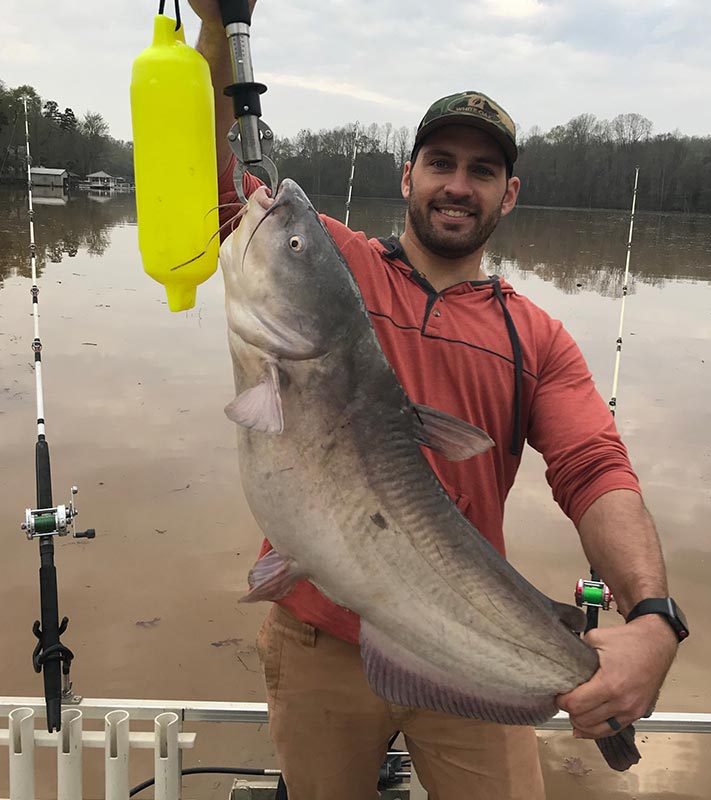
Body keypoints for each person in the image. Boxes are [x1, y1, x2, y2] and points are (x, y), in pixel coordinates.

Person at [189, 2, 685, 797]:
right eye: (441, 162)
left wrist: (654, 614)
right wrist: (217, 31)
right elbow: (209, 173)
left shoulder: (539, 338)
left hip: (461, 642)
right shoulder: (335, 264)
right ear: (408, 174)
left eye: (481, 171)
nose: (458, 185)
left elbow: (595, 469)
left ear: (509, 193)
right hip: (316, 641)